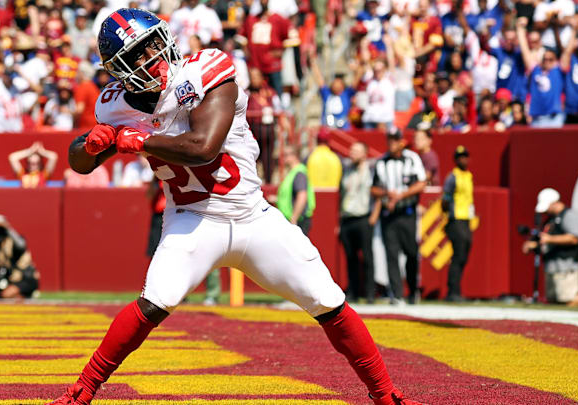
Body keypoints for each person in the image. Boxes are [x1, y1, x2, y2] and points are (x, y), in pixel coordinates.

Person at [47, 9, 423, 405]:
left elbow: (202, 147)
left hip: (251, 216)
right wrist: (92, 143)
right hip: (191, 219)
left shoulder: (206, 68)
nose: (154, 55)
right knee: (156, 299)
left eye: (155, 42)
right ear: (119, 68)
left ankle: (386, 395)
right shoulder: (115, 106)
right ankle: (82, 392)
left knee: (326, 299)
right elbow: (79, 161)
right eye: (140, 53)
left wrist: (137, 141)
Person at [371, 129, 426, 305]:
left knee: (411, 252)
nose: (392, 143)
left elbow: (421, 183)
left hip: (407, 213)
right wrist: (387, 194)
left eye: (395, 140)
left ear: (402, 141)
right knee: (391, 254)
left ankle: (412, 291)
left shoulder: (412, 158)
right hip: (389, 215)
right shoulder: (382, 162)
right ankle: (397, 293)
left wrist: (401, 195)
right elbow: (373, 188)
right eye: (390, 140)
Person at [522, 188, 578, 303]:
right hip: (551, 265)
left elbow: (574, 238)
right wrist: (534, 245)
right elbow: (546, 239)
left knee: (568, 300)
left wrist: (550, 239)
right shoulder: (551, 219)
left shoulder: (568, 215)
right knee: (553, 300)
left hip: (566, 266)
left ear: (555, 202)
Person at [339, 142, 380, 303]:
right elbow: (342, 195)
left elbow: (378, 192)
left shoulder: (370, 170)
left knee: (367, 257)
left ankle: (370, 292)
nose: (352, 153)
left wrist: (374, 216)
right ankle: (353, 292)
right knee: (351, 258)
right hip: (347, 218)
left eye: (356, 151)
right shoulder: (346, 170)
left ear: (365, 154)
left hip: (363, 217)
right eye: (351, 150)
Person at [0, 214, 40, 300]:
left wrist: (6, 228)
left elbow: (22, 245)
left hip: (25, 279)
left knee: (5, 295)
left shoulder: (13, 240)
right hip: (7, 280)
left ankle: (27, 295)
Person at [517, 17, 565, 128]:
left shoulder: (558, 70)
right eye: (545, 59)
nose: (547, 61)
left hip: (555, 118)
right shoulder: (535, 70)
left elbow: (566, 52)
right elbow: (525, 50)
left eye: (550, 59)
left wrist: (555, 27)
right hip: (536, 119)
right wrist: (520, 29)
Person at [441, 146, 474, 302]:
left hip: (466, 219)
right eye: (460, 157)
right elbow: (445, 198)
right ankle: (452, 291)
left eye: (465, 156)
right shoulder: (452, 176)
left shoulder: (468, 175)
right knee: (458, 255)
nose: (463, 159)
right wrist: (448, 216)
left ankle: (456, 290)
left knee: (463, 255)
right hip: (456, 219)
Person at [277, 145, 316, 235]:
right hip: (292, 219)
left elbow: (302, 196)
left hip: (298, 220)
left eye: (285, 155)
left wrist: (294, 218)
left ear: (294, 155)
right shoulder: (293, 172)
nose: (283, 158)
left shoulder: (299, 173)